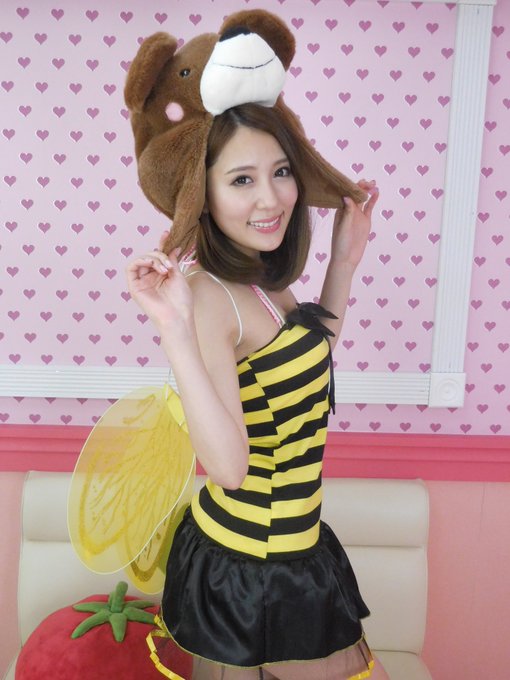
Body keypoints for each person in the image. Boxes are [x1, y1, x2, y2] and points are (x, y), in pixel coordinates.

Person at [126, 102, 384, 680]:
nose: (271, 198)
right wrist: (175, 331)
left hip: (293, 544)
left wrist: (344, 261)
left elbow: (298, 366)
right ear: (203, 194)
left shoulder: (260, 275)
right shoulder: (210, 295)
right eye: (242, 179)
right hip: (251, 564)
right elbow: (228, 469)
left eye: (281, 171)